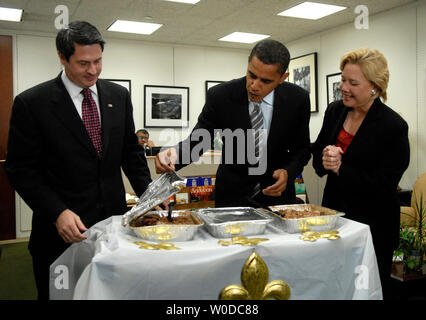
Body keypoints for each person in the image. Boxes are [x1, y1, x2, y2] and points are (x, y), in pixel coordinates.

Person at [5, 21, 152, 300]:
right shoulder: (32, 103)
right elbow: (21, 170)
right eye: (84, 63)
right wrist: (57, 211)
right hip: (61, 234)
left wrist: (149, 194)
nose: (93, 70)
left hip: (113, 229)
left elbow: (130, 153)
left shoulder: (117, 96)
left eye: (98, 61)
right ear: (62, 58)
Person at [155, 39, 311, 207]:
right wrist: (174, 155)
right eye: (251, 75)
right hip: (232, 197)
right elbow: (200, 139)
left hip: (277, 196)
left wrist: (288, 172)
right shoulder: (221, 96)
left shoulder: (297, 99)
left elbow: (302, 149)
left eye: (265, 81)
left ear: (282, 78)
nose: (254, 86)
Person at [311, 48, 410, 300]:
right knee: (334, 285)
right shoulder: (335, 111)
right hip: (335, 219)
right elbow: (318, 163)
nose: (344, 87)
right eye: (343, 79)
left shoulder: (393, 127)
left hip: (373, 227)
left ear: (375, 87)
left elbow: (385, 184)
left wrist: (342, 168)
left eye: (353, 83)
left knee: (366, 291)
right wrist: (325, 159)